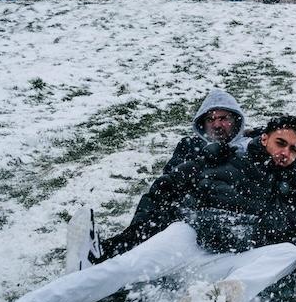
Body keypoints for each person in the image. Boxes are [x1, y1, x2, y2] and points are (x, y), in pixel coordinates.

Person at [0, 115, 296, 302]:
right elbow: (167, 189)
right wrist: (142, 229)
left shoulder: (286, 187)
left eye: (294, 149)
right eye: (281, 143)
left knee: (289, 250)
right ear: (264, 139)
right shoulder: (225, 156)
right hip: (190, 237)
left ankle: (219, 296)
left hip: (224, 260)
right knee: (120, 269)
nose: (287, 153)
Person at [79, 89, 254, 264]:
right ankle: (111, 252)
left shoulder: (248, 149)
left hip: (227, 216)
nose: (216, 125)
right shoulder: (191, 146)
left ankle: (112, 257)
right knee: (157, 207)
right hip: (187, 208)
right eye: (210, 119)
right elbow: (170, 179)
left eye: (223, 118)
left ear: (236, 121)